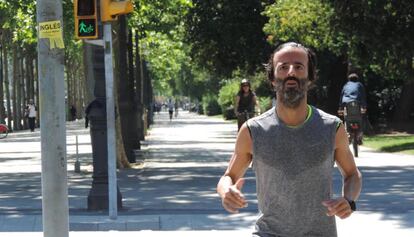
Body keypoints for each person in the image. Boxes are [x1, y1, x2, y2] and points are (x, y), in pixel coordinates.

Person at [217, 42, 362, 237]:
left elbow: (352, 174)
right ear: (272, 79)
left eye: (298, 66)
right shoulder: (253, 131)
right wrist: (226, 191)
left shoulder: (332, 127)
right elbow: (229, 176)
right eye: (283, 67)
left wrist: (349, 200)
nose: (291, 72)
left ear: (310, 78)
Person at [338, 73, 367, 144]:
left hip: (347, 105)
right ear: (357, 79)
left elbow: (342, 96)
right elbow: (363, 96)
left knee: (346, 119)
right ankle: (360, 136)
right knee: (361, 119)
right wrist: (364, 107)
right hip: (357, 105)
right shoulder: (359, 85)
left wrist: (340, 108)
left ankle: (348, 135)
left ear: (349, 79)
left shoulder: (346, 85)